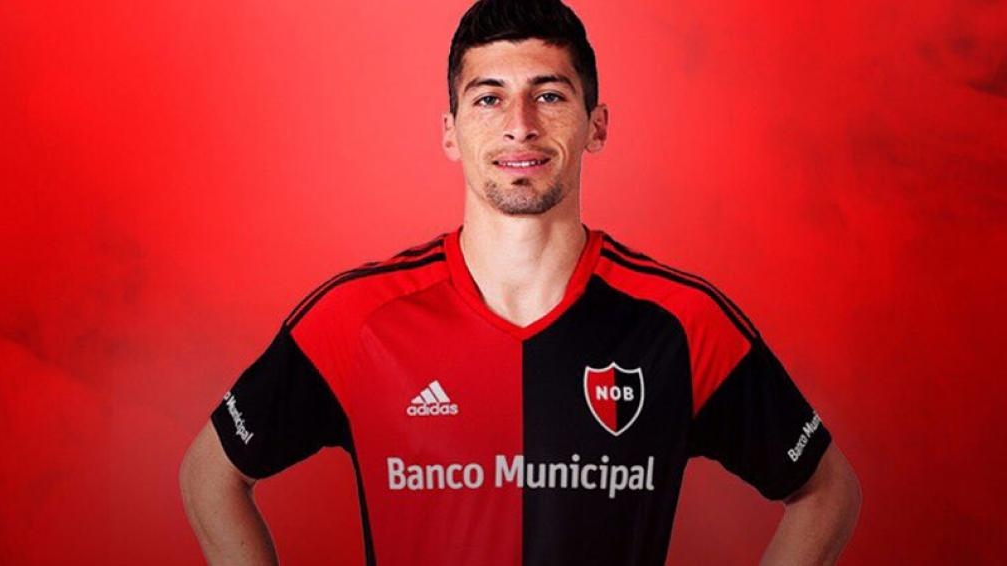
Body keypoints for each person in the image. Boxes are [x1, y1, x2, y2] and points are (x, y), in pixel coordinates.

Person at [179, 0, 862, 564]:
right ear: (450, 132)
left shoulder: (681, 323)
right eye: (489, 98)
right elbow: (210, 476)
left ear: (597, 125)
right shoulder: (356, 318)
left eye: (550, 95)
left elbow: (827, 491)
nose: (520, 126)